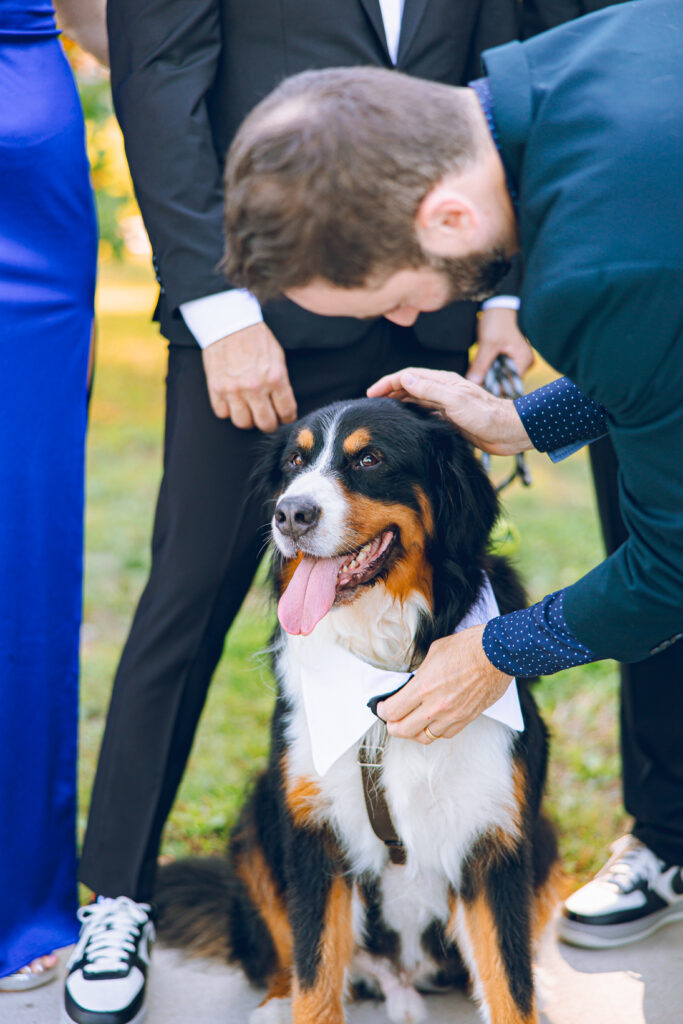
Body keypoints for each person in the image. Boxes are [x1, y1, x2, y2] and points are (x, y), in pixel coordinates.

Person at [66, 4, 532, 1024]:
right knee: (185, 608)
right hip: (257, 320)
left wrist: (501, 294)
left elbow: (507, 66)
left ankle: (424, 887)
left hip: (433, 300)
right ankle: (120, 898)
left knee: (440, 602)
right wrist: (220, 311)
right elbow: (158, 80)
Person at [220, 0, 683, 954]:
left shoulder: (590, 273)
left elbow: (672, 571)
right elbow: (667, 357)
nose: (409, 314)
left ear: (446, 216)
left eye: (398, 295)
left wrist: (499, 651)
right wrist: (521, 418)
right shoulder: (592, 54)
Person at [0, 0, 105, 994]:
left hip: (21, 170)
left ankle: (17, 894)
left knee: (20, 542)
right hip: (24, 114)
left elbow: (121, 28)